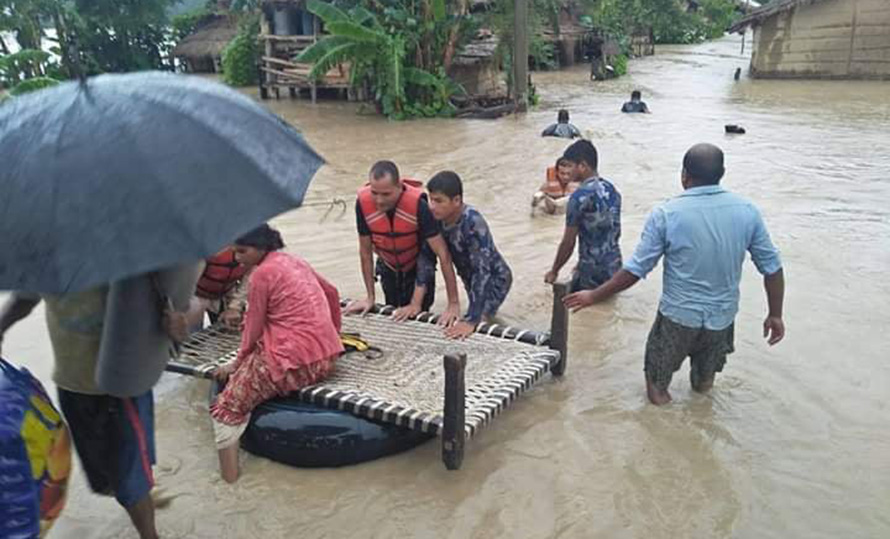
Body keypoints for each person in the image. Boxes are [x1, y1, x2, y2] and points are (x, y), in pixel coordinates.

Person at [564, 143, 785, 405]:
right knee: (704, 386)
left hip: (677, 318)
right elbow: (772, 268)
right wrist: (775, 314)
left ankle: (664, 433)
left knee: (656, 386)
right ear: (722, 173)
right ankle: (698, 428)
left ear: (684, 175)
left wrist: (594, 295)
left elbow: (636, 269)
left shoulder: (666, 214)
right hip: (721, 319)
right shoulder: (747, 212)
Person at [0, 288, 189, 539]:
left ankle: (148, 529)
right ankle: (137, 489)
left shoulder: (127, 261)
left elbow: (171, 303)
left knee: (130, 478)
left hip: (121, 386)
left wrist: (176, 325)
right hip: (71, 382)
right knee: (100, 477)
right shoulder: (49, 258)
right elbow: (25, 298)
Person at [210, 225, 344, 483]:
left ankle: (229, 481)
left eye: (242, 252)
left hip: (295, 362)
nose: (237, 258)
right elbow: (332, 293)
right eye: (234, 252)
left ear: (261, 248)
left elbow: (253, 327)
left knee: (226, 408)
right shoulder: (294, 261)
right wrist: (333, 336)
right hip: (326, 356)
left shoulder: (261, 275)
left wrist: (237, 364)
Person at [345, 160, 460, 324]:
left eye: (386, 194)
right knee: (393, 311)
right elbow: (365, 252)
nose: (379, 201)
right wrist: (369, 297)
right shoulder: (362, 204)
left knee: (417, 317)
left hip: (418, 269)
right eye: (375, 193)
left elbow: (443, 254)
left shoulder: (420, 206)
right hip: (389, 266)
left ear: (399, 186)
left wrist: (453, 304)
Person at [421, 171, 513, 339]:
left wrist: (472, 319)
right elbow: (427, 258)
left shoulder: (473, 222)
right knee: (472, 315)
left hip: (494, 278)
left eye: (438, 201)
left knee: (481, 323)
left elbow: (482, 271)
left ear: (456, 200)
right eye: (431, 199)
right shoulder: (436, 218)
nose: (432, 206)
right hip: (468, 276)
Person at [545, 140, 622, 292]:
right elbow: (614, 232)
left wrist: (554, 271)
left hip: (591, 275)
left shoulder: (579, 198)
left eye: (570, 165)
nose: (568, 170)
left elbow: (568, 243)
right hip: (616, 270)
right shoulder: (612, 190)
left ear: (582, 166)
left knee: (577, 309)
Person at [186, 247, 249, 331]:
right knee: (189, 332)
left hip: (225, 293)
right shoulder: (208, 248)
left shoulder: (252, 252)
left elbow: (247, 280)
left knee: (228, 328)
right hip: (196, 295)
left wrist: (234, 307)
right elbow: (189, 281)